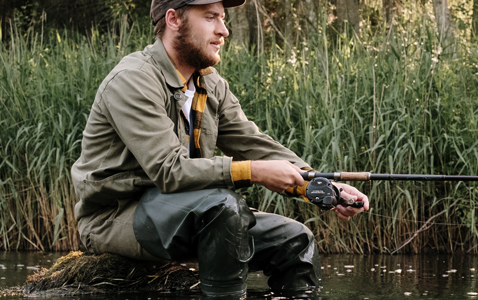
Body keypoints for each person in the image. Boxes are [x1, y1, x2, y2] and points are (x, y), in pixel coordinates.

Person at [69, 0, 369, 298]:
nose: (223, 30)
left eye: (223, 19)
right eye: (211, 18)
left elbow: (254, 145)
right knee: (223, 207)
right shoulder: (133, 79)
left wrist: (322, 187)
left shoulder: (209, 84)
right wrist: (255, 173)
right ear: (174, 19)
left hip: (188, 212)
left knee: (296, 241)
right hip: (115, 218)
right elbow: (169, 170)